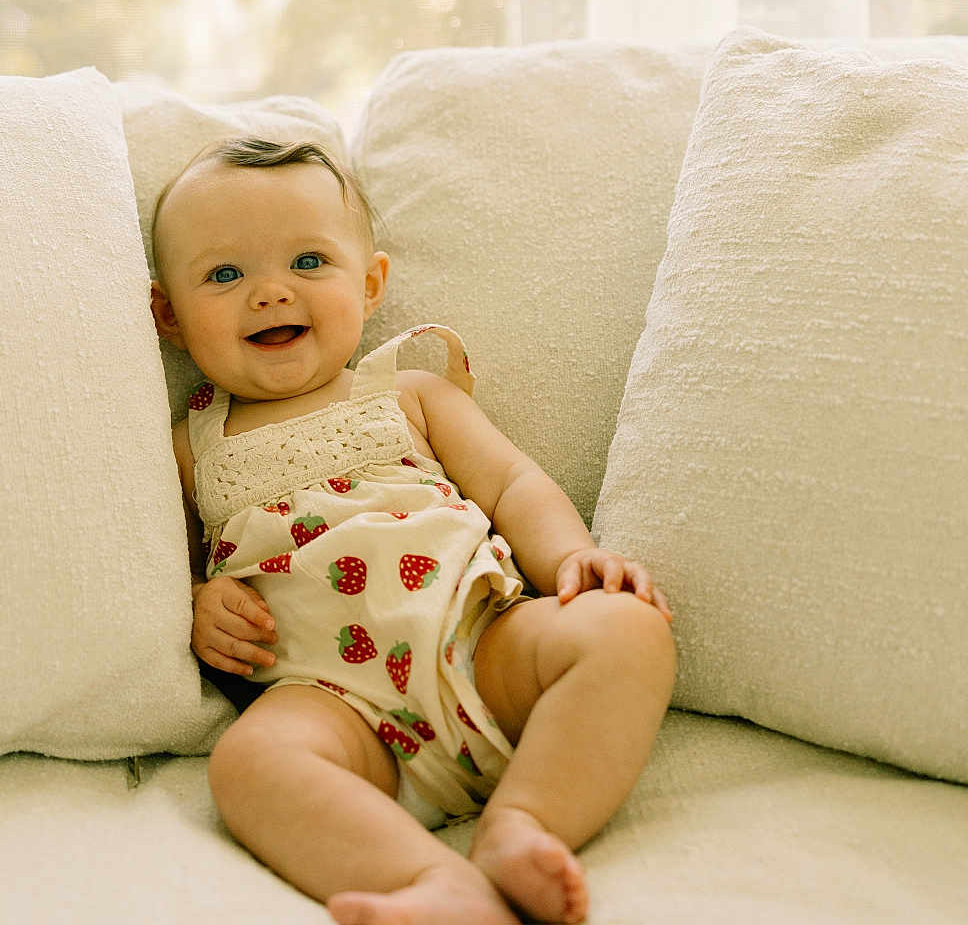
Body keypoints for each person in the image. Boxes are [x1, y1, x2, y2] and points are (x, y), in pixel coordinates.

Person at [149, 136, 676, 925]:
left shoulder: (409, 392)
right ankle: (436, 885)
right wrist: (196, 601)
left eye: (307, 263)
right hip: (333, 704)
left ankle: (521, 823)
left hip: (483, 642)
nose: (269, 293)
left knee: (627, 632)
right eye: (225, 275)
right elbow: (161, 565)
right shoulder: (190, 447)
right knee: (249, 764)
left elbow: (511, 483)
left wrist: (572, 557)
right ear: (170, 317)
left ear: (369, 286)